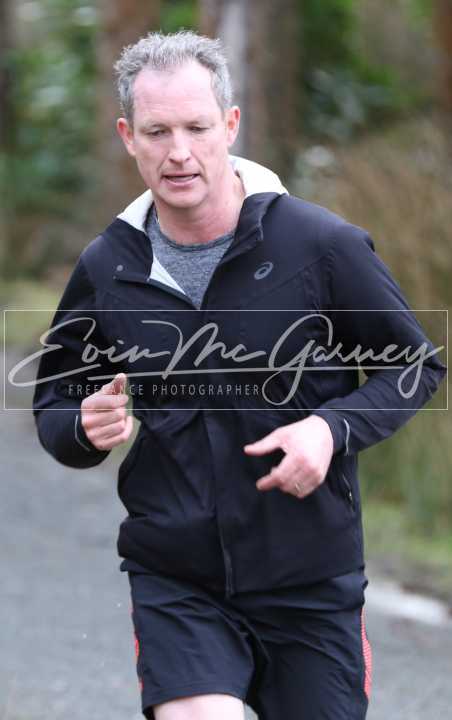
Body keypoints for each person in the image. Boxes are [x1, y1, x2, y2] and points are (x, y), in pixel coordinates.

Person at [32, 30, 446, 720]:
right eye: (158, 132)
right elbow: (55, 404)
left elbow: (415, 365)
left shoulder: (320, 246)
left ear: (229, 124)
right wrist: (81, 425)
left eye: (196, 127)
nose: (179, 152)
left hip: (309, 578)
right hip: (178, 576)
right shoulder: (109, 267)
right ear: (129, 137)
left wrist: (329, 429)